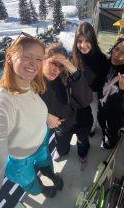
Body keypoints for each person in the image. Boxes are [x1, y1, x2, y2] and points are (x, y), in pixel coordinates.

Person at [0, 33, 63, 208]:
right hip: (20, 160)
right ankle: (44, 190)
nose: (34, 63)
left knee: (46, 164)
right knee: (30, 181)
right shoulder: (0, 102)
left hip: (40, 144)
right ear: (10, 57)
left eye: (39, 58)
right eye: (27, 56)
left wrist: (46, 116)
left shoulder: (30, 85)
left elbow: (30, 108)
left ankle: (51, 175)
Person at [40, 42, 93, 170]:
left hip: (82, 120)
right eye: (53, 63)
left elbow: (87, 99)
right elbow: (27, 106)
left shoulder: (70, 77)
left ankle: (82, 153)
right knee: (62, 147)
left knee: (82, 142)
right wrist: (45, 116)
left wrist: (73, 70)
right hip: (61, 124)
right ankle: (62, 152)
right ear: (43, 60)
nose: (56, 69)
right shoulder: (36, 83)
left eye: (61, 65)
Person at [72, 22, 108, 137]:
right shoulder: (72, 57)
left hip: (92, 94)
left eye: (87, 41)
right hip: (76, 94)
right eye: (79, 41)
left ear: (93, 40)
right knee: (77, 116)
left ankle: (91, 129)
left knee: (92, 114)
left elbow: (102, 80)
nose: (83, 45)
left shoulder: (101, 58)